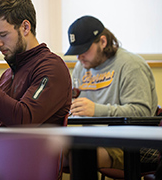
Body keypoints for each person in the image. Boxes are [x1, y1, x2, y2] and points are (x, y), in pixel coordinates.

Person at [65, 15, 158, 171]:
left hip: (134, 144)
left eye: (84, 50)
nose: (79, 57)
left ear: (102, 42)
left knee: (82, 155)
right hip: (95, 140)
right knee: (50, 152)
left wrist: (96, 110)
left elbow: (142, 114)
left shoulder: (131, 65)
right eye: (76, 51)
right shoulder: (82, 67)